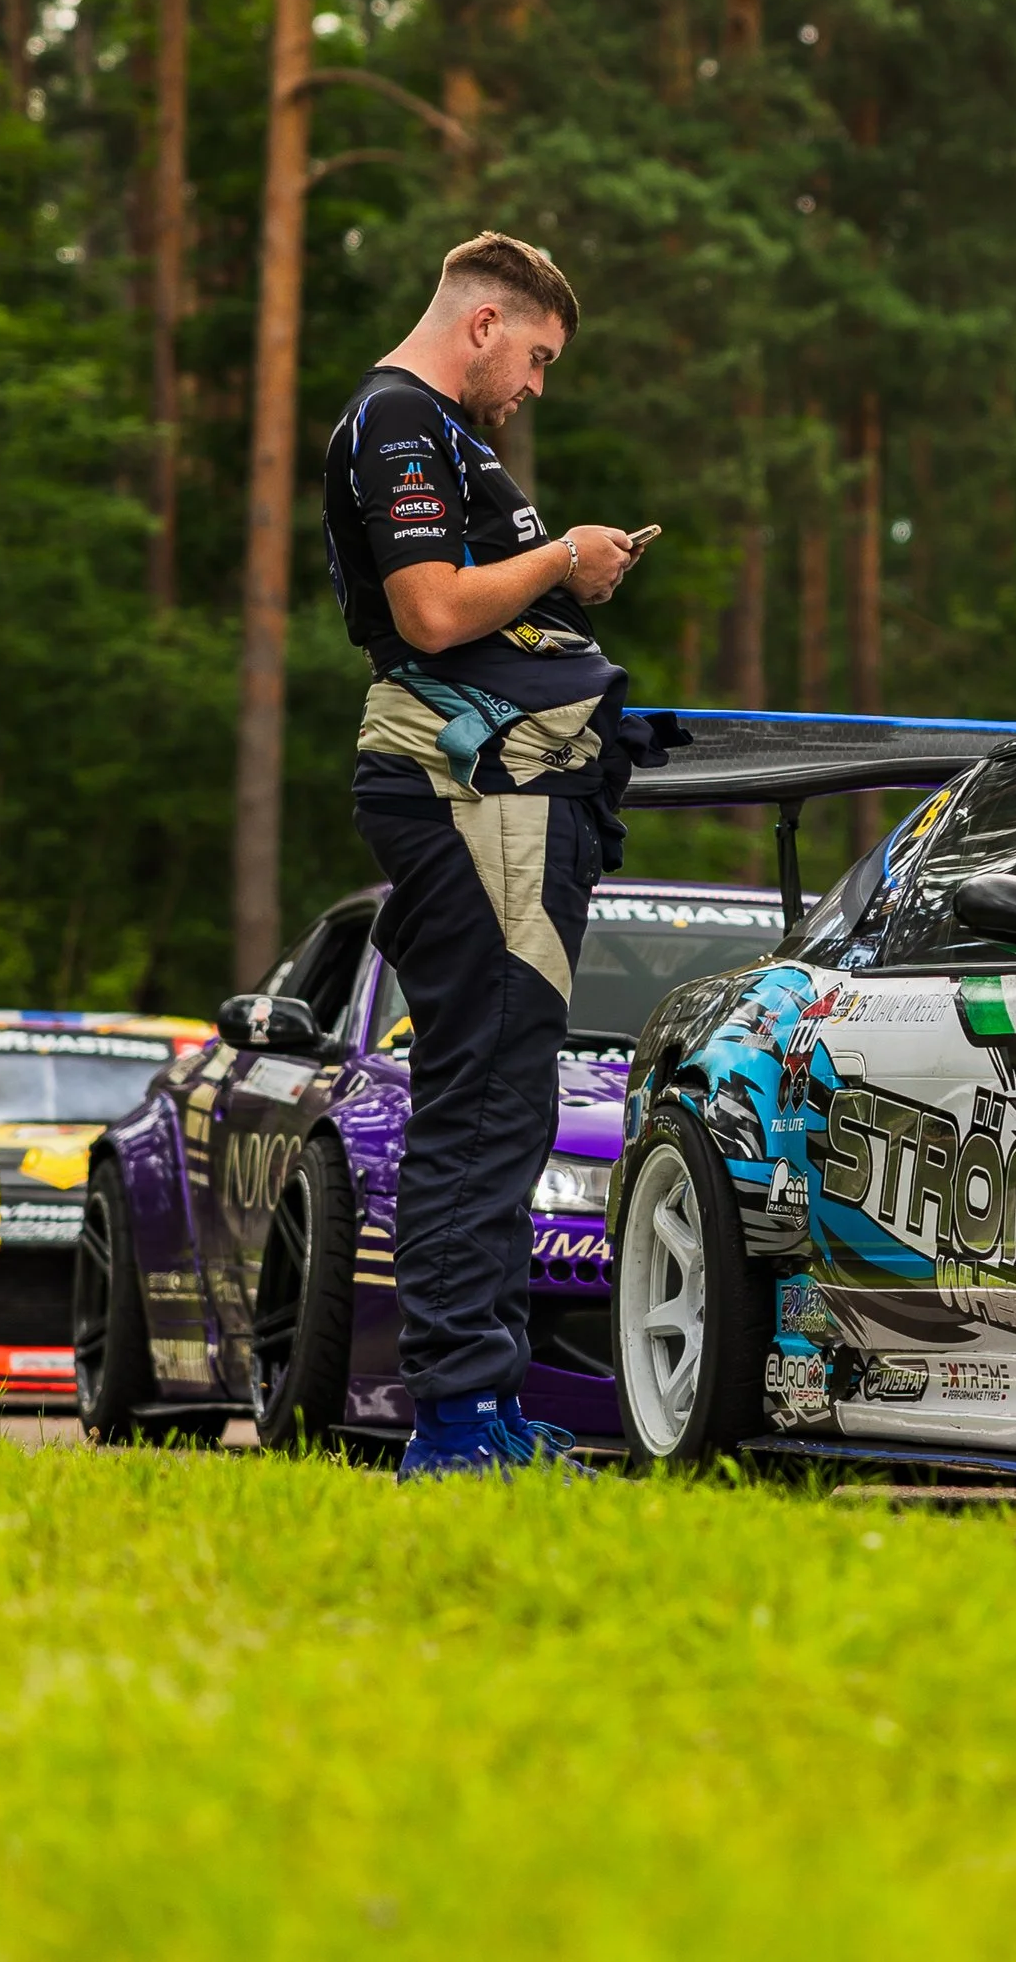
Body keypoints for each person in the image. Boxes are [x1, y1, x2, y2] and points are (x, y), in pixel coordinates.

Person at [320, 231, 645, 1477]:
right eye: (538, 357)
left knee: (502, 1103)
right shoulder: (402, 419)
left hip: (512, 797)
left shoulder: (439, 434)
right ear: (483, 322)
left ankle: (487, 1405)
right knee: (481, 1109)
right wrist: (565, 553)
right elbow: (434, 610)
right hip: (475, 796)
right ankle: (455, 1427)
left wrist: (568, 577)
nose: (536, 388)